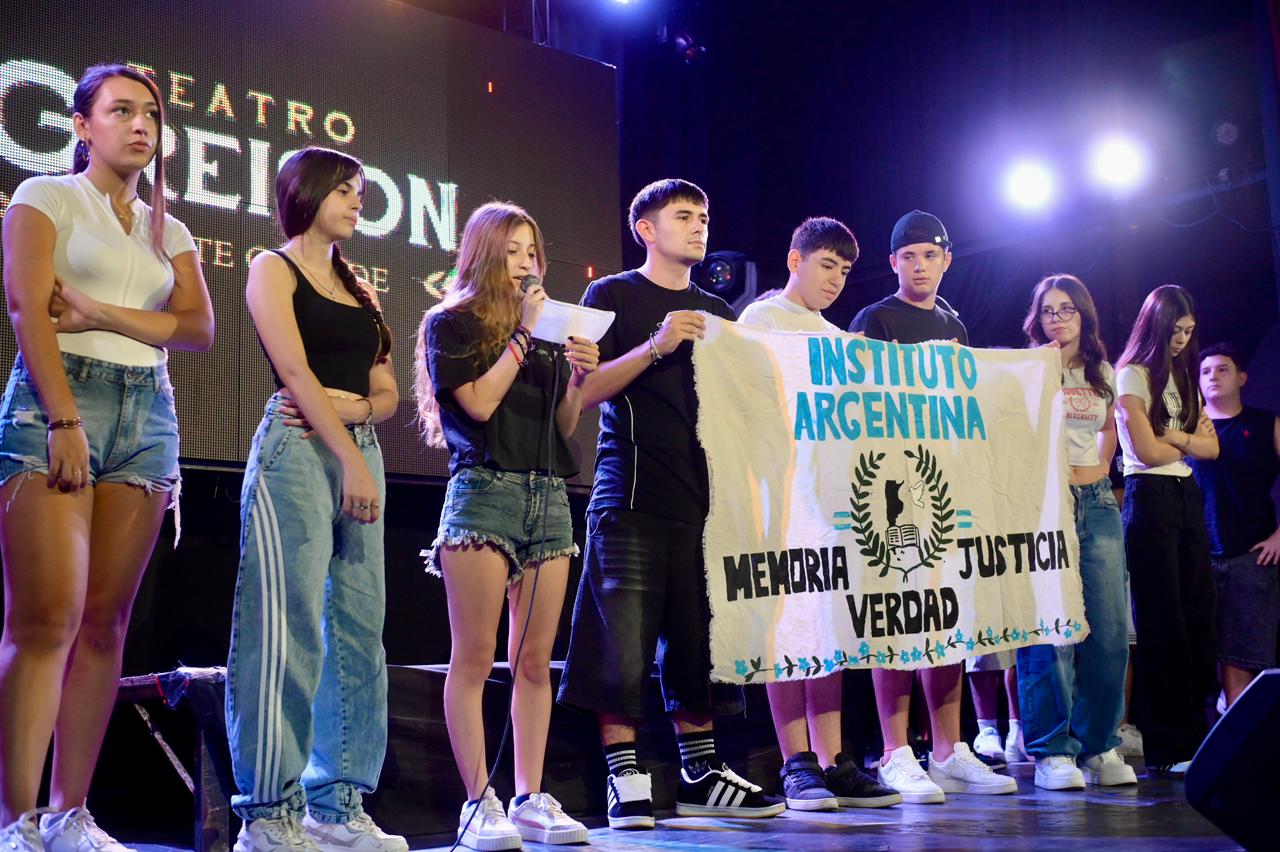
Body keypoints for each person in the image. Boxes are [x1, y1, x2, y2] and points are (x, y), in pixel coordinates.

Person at [0, 64, 213, 851]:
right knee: (46, 618)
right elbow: (27, 306)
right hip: (57, 399)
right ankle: (16, 821)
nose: (141, 125)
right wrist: (62, 417)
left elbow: (197, 329)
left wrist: (95, 309)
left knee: (103, 625)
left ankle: (69, 814)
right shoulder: (46, 196)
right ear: (83, 125)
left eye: (151, 113)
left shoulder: (171, 230)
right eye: (121, 110)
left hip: (147, 413)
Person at [558, 179, 784, 828]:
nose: (699, 226)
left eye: (703, 216)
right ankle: (624, 774)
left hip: (706, 503)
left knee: (699, 644)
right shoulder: (611, 295)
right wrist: (656, 345)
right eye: (683, 216)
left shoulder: (717, 310)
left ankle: (700, 773)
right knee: (621, 642)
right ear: (646, 229)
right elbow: (585, 394)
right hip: (630, 494)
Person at [224, 147, 406, 852]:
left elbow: (387, 393)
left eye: (361, 191)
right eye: (345, 190)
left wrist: (357, 416)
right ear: (306, 193)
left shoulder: (361, 288)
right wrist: (348, 454)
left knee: (359, 629)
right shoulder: (272, 267)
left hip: (358, 446)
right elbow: (295, 373)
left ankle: (337, 805)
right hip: (298, 452)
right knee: (286, 626)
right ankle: (268, 811)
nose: (358, 202)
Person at [416, 202, 598, 850]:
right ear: (484, 255)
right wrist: (523, 335)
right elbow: (479, 403)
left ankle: (529, 797)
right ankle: (477, 804)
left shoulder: (547, 335)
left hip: (549, 496)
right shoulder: (451, 323)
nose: (527, 263)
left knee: (534, 661)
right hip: (484, 494)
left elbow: (564, 426)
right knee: (474, 657)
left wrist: (579, 378)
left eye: (532, 251)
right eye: (514, 251)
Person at [848, 209, 1016, 802]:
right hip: (891, 489)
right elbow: (855, 397)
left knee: (946, 615)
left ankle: (948, 749)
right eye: (908, 256)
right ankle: (895, 751)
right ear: (893, 262)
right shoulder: (875, 318)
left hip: (943, 486)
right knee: (896, 616)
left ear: (947, 260)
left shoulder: (954, 324)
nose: (919, 266)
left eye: (930, 255)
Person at [738, 217, 902, 811]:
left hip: (830, 502)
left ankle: (832, 760)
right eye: (826, 264)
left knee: (830, 632)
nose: (835, 279)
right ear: (795, 260)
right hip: (777, 499)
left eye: (844, 270)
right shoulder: (760, 320)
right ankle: (796, 762)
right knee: (789, 629)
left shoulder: (837, 337)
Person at [1015, 274, 1137, 790]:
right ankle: (1051, 751)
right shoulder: (1026, 369)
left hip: (1098, 502)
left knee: (1108, 630)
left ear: (1083, 314)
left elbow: (1109, 427)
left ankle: (1100, 744)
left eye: (1066, 309)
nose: (1057, 319)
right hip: (1046, 506)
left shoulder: (1101, 370)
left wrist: (1103, 469)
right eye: (1048, 311)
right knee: (1052, 629)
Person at [1114, 284, 1219, 775]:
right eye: (1175, 330)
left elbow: (1212, 449)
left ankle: (1196, 736)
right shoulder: (1132, 374)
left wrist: (1175, 435)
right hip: (1149, 495)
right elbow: (1147, 452)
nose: (1182, 339)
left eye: (1189, 331)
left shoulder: (1185, 376)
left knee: (1199, 617)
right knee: (1163, 623)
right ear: (1155, 325)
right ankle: (1168, 744)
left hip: (1185, 494)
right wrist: (1187, 439)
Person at [1189, 344, 1280, 709]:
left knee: (1244, 657)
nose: (1213, 376)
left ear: (1242, 377)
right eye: (1206, 371)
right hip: (1198, 557)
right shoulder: (1187, 430)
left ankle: (1240, 730)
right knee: (1196, 654)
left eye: (1222, 369)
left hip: (1251, 556)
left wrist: (1279, 536)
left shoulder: (1266, 424)